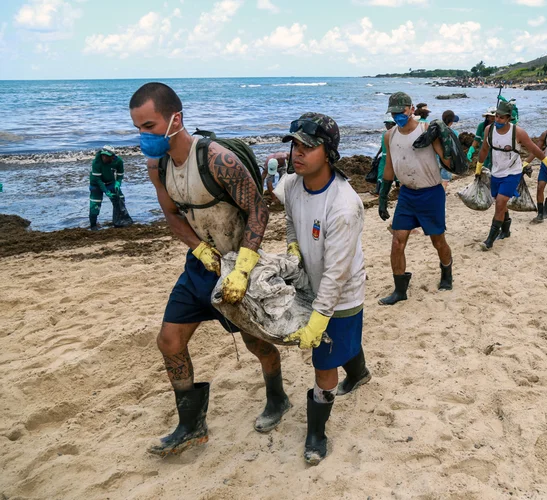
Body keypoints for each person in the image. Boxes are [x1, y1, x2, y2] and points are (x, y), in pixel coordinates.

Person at [129, 82, 283, 456]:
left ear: (174, 119)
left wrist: (243, 266)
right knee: (169, 341)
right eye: (138, 128)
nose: (143, 137)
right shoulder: (158, 166)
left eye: (149, 126)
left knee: (256, 343)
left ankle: (277, 398)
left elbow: (258, 209)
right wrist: (198, 248)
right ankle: (190, 425)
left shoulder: (216, 159)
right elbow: (171, 214)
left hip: (237, 265)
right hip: (199, 268)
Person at [281, 112, 370, 465]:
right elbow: (289, 219)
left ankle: (316, 432)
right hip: (308, 282)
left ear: (329, 152)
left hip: (342, 292)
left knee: (323, 360)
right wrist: (292, 247)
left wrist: (319, 319)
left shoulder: (344, 206)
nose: (297, 153)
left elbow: (336, 274)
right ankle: (360, 373)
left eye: (308, 146)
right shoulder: (291, 184)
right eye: (294, 145)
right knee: (342, 346)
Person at [378, 92, 453, 305]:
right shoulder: (389, 136)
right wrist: (383, 196)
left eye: (400, 112)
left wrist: (446, 139)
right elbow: (390, 166)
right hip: (407, 195)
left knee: (438, 241)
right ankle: (400, 290)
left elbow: (447, 160)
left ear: (411, 109)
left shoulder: (427, 130)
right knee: (397, 241)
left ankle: (447, 272)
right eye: (393, 113)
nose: (397, 116)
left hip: (431, 193)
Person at [474, 101, 547, 249]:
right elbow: (484, 149)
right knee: (501, 203)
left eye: (501, 117)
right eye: (496, 116)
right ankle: (506, 230)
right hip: (496, 171)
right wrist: (479, 166)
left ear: (508, 118)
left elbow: (534, 148)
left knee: (500, 202)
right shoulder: (488, 130)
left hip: (512, 172)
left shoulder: (518, 133)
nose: (497, 120)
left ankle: (489, 241)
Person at [88, 145, 126, 230]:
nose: (104, 158)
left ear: (112, 156)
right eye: (103, 155)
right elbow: (98, 180)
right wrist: (106, 191)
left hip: (110, 182)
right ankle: (93, 225)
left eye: (107, 156)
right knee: (95, 204)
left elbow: (120, 175)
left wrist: (118, 183)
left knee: (120, 198)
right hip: (96, 184)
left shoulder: (118, 161)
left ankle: (119, 221)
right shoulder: (96, 162)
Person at [440, 110, 460, 189]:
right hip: (448, 159)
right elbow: (455, 149)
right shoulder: (454, 133)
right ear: (451, 122)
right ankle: (442, 195)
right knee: (444, 181)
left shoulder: (437, 130)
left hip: (436, 158)